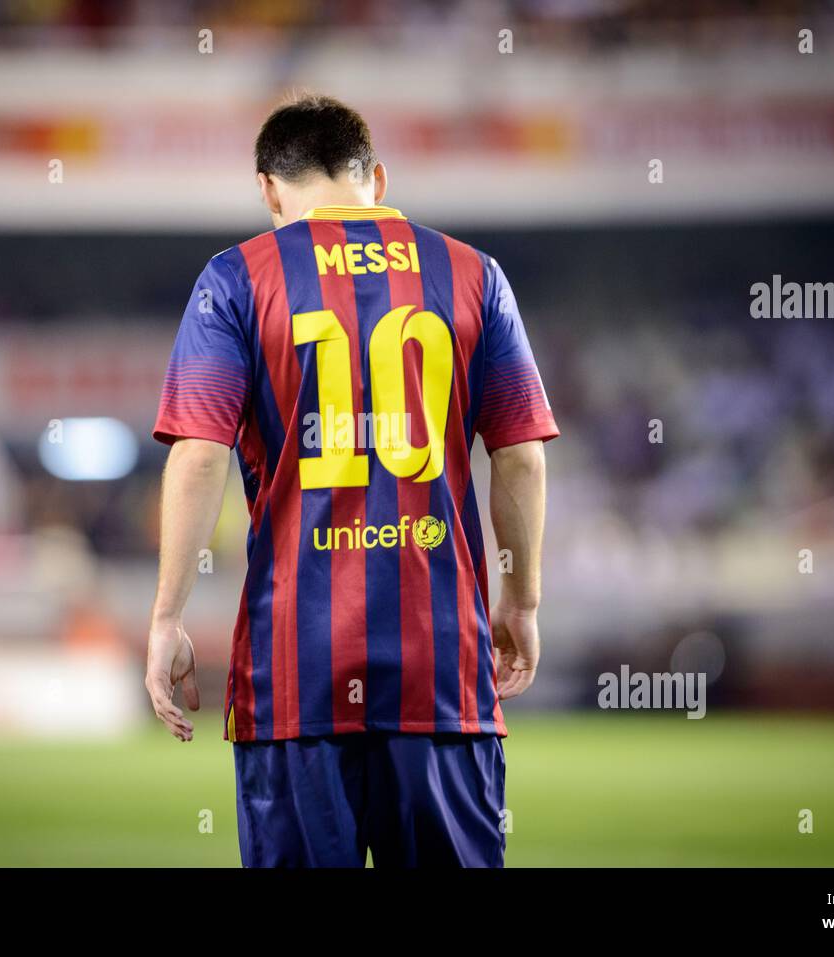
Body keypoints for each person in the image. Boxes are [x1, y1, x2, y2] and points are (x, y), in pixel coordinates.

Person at [147, 93, 557, 867]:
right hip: (440, 672)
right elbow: (522, 453)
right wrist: (524, 600)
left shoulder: (235, 279)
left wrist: (167, 615)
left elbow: (198, 454)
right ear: (379, 178)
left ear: (269, 188)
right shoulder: (473, 274)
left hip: (293, 677)